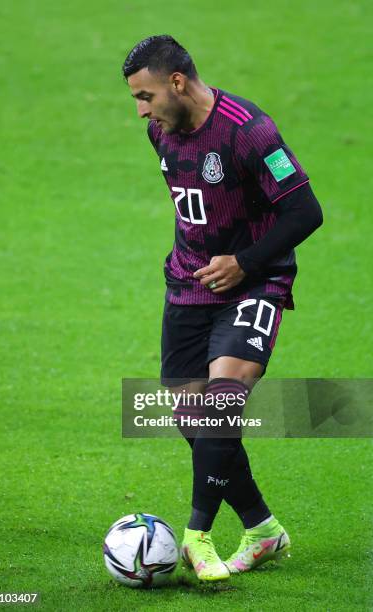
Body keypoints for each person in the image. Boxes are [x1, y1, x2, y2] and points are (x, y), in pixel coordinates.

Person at [122, 35, 323, 582]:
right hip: (188, 285)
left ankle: (196, 535)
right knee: (193, 417)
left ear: (177, 82)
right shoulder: (159, 131)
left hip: (257, 282)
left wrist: (247, 263)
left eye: (145, 96)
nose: (141, 110)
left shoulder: (248, 130)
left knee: (221, 403)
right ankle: (262, 529)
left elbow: (306, 211)